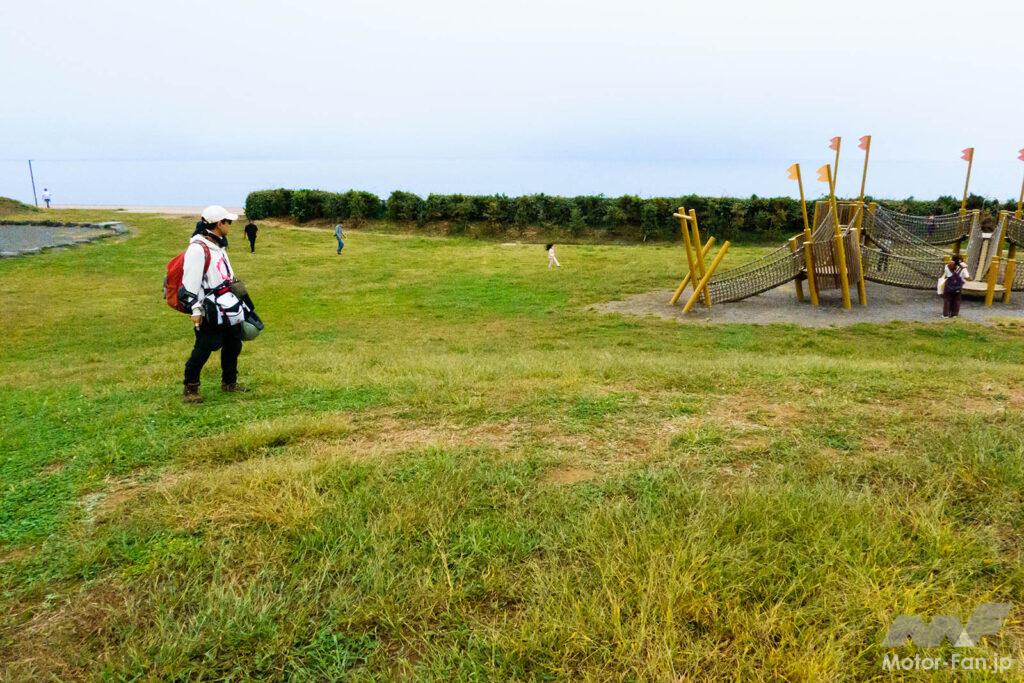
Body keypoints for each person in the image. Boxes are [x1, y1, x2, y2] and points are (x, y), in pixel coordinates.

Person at [179, 205, 249, 403]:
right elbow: (190, 284)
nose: (230, 225)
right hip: (209, 308)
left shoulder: (219, 245)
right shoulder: (197, 249)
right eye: (228, 222)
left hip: (228, 305)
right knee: (205, 346)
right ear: (219, 224)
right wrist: (196, 309)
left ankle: (229, 382)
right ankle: (190, 387)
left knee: (233, 344)